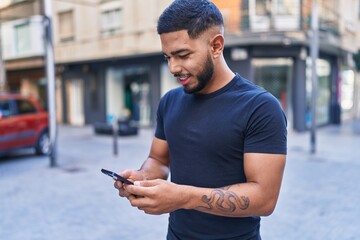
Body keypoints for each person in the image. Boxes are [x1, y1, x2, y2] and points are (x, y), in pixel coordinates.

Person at [114, 0, 287, 239]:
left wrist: (183, 197)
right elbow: (159, 159)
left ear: (216, 46)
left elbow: (265, 198)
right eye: (167, 57)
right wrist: (142, 178)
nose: (173, 68)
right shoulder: (170, 101)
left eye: (182, 55)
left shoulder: (260, 107)